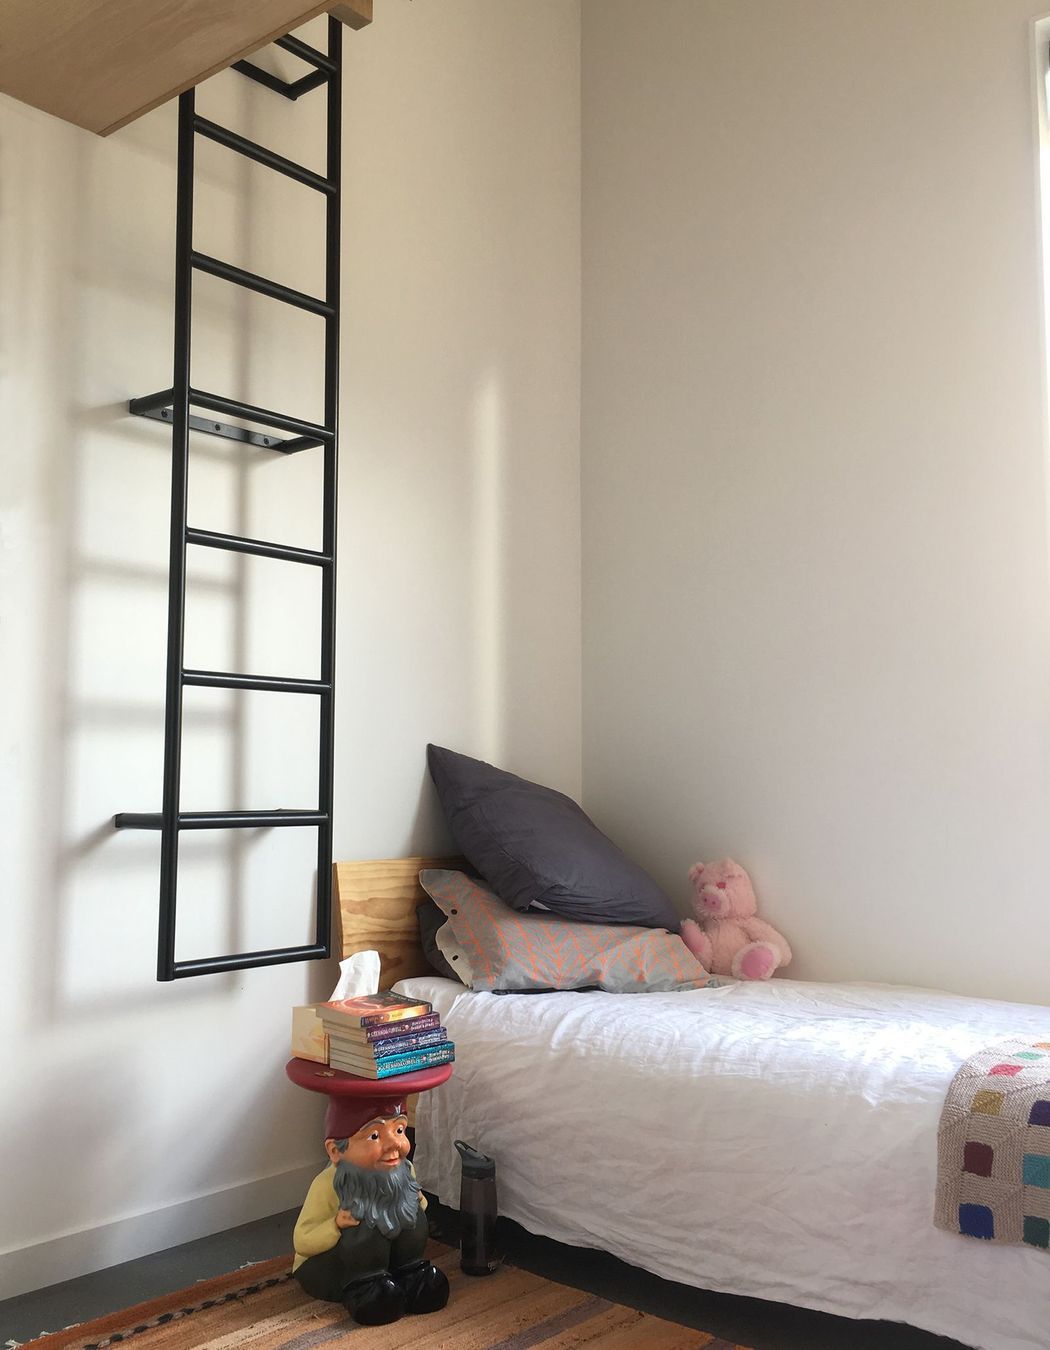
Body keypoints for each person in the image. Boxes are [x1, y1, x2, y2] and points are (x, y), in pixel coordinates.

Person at [292, 1093, 450, 1325]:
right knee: (365, 1223)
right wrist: (334, 1224)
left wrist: (416, 1199)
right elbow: (303, 1241)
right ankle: (365, 1288)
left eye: (399, 1131)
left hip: (387, 1258)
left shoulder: (403, 1170)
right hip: (333, 1266)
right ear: (336, 1150)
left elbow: (418, 1209)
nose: (394, 1144)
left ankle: (411, 1274)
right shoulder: (327, 1184)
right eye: (375, 1136)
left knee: (409, 1211)